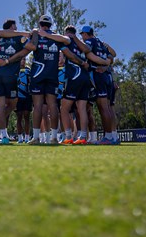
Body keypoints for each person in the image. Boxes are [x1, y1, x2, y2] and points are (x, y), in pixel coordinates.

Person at [21, 14, 71, 145]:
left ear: (40, 24)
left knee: (37, 106)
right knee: (53, 105)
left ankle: (36, 137)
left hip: (37, 75)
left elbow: (27, 47)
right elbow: (67, 40)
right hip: (52, 75)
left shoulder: (36, 35)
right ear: (50, 25)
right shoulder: (56, 37)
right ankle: (54, 138)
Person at [0, 19, 29, 144]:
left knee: (2, 106)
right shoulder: (18, 38)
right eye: (15, 26)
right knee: (12, 105)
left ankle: (1, 133)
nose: (16, 29)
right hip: (10, 76)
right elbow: (31, 47)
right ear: (12, 27)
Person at [79, 26, 117, 144]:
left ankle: (108, 137)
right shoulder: (100, 42)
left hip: (98, 75)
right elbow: (111, 57)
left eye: (82, 34)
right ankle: (112, 136)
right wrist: (106, 65)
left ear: (86, 34)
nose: (82, 37)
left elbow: (86, 52)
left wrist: (100, 64)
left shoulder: (90, 41)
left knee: (103, 107)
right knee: (108, 108)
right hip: (106, 76)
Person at [59, 26, 93, 145]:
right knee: (81, 108)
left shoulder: (66, 41)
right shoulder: (81, 44)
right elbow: (87, 49)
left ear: (66, 33)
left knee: (64, 108)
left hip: (74, 77)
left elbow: (71, 56)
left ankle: (68, 137)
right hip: (85, 78)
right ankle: (82, 137)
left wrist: (82, 62)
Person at [15, 64, 31, 143]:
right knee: (19, 117)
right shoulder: (15, 70)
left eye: (24, 59)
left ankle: (27, 138)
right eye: (21, 59)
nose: (23, 61)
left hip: (27, 96)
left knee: (27, 116)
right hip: (18, 97)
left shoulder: (28, 71)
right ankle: (20, 138)